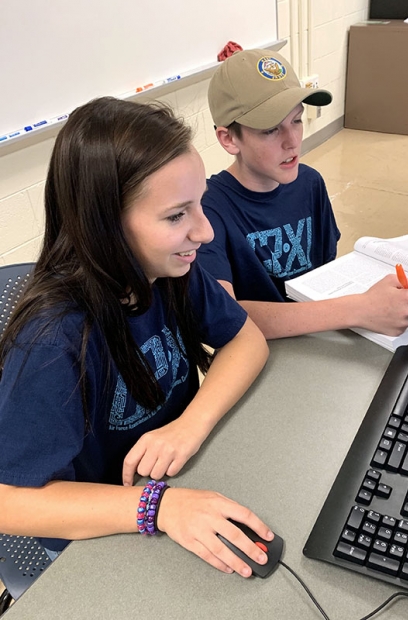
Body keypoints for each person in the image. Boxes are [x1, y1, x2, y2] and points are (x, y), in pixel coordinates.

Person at [0, 96, 273, 578]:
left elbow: (247, 340)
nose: (205, 232)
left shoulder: (171, 272)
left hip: (181, 477)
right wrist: (157, 508)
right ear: (104, 227)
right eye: (176, 216)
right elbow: (12, 503)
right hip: (106, 528)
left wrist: (189, 426)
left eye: (200, 205)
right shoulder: (52, 339)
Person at [197, 48, 408, 339]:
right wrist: (359, 309)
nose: (292, 141)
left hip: (322, 334)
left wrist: (371, 305)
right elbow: (222, 316)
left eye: (296, 120)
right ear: (229, 138)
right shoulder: (209, 209)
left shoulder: (310, 183)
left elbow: (327, 272)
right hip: (263, 353)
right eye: (271, 130)